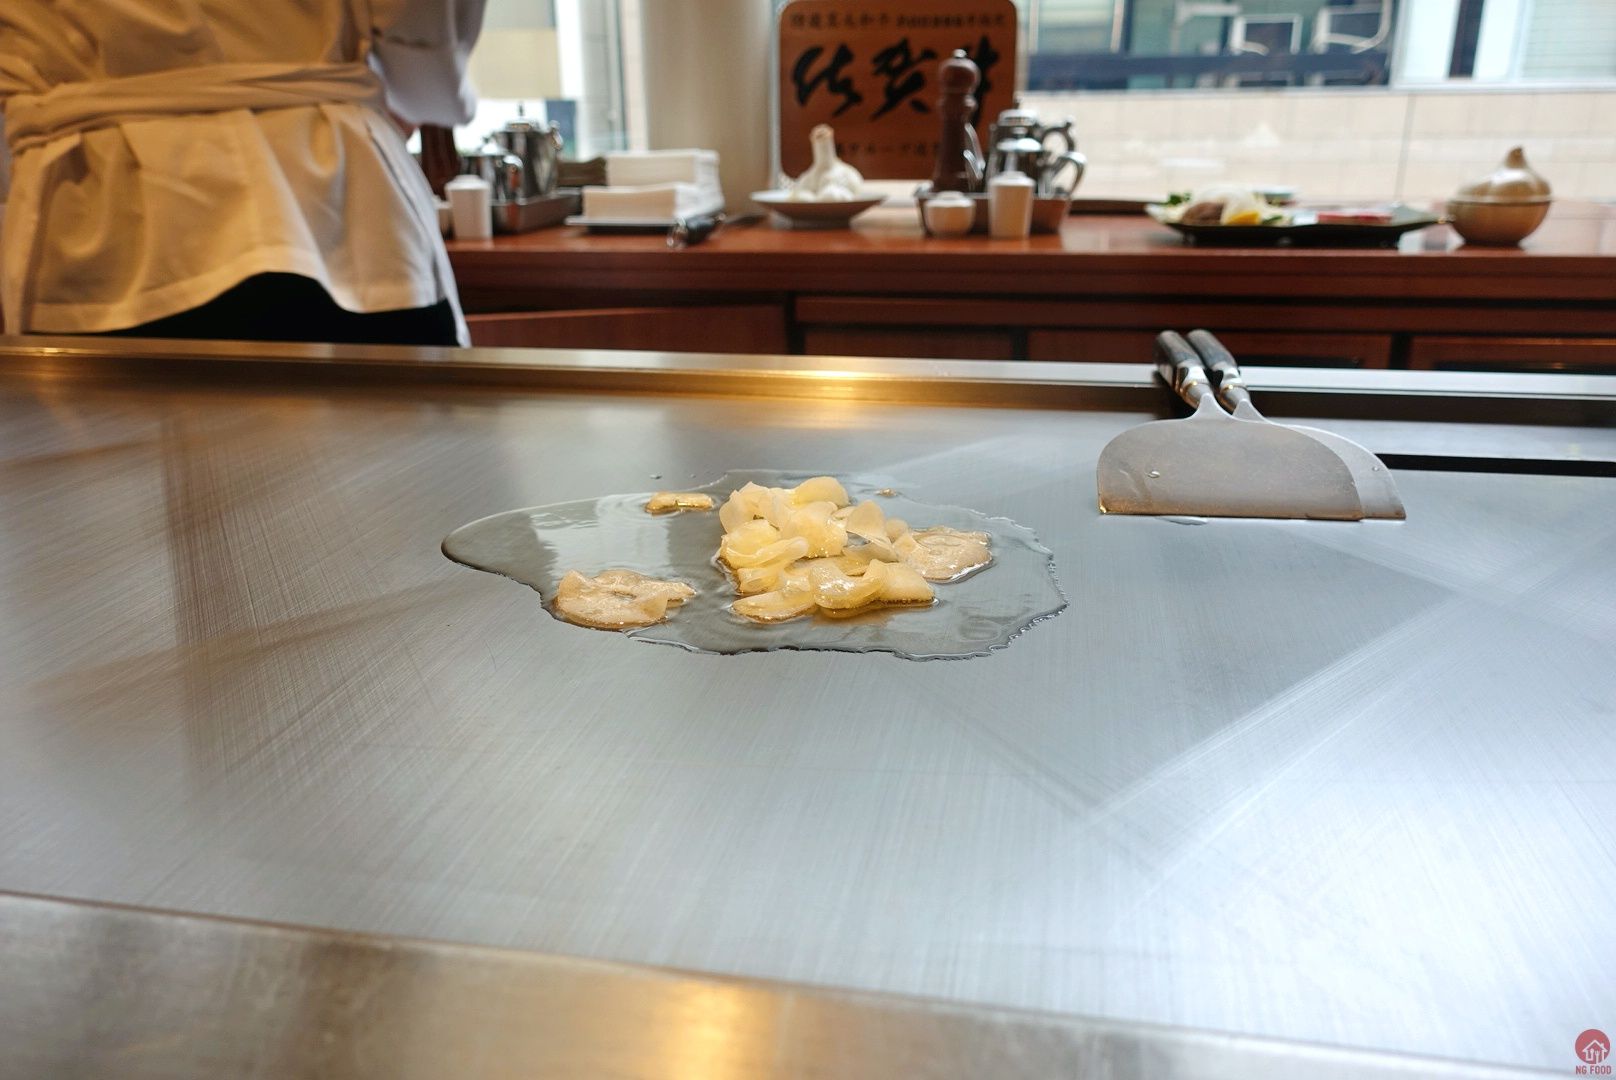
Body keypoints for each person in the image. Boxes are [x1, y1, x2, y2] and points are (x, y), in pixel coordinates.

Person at [0, 0, 486, 346]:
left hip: (86, 208)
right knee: (384, 454)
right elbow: (424, 45)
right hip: (328, 205)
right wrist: (431, 95)